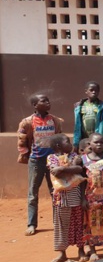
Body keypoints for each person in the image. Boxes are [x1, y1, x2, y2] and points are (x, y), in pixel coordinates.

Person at [18, 94, 63, 236]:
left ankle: (57, 222)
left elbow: (59, 139)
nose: (48, 102)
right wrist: (25, 153)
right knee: (33, 193)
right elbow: (21, 139)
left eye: (48, 100)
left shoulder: (55, 120)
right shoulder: (27, 122)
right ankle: (32, 224)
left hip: (52, 162)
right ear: (35, 105)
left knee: (55, 192)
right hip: (36, 161)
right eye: (43, 101)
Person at [76, 133, 103, 261]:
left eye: (101, 142)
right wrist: (82, 198)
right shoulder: (83, 160)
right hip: (90, 197)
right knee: (91, 223)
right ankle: (93, 250)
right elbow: (82, 181)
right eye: (96, 142)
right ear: (90, 144)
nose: (99, 145)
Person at [47, 134, 86, 262]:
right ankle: (62, 253)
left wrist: (63, 168)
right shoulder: (51, 158)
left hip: (76, 196)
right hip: (61, 198)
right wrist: (69, 169)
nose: (71, 144)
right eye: (67, 142)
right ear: (58, 146)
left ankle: (81, 250)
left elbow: (79, 169)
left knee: (78, 224)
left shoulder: (74, 156)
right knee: (61, 225)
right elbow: (55, 172)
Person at [73, 81, 103, 151]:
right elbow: (77, 125)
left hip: (98, 139)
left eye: (96, 90)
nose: (94, 92)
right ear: (86, 91)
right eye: (91, 90)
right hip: (84, 138)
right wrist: (76, 143)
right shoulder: (79, 106)